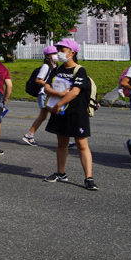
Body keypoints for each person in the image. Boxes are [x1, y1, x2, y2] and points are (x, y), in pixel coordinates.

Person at [42, 39, 97, 191]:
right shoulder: (57, 70)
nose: (59, 52)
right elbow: (46, 87)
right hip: (60, 112)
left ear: (72, 53)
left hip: (76, 112)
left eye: (63, 49)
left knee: (81, 144)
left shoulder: (80, 70)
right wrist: (58, 94)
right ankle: (60, 173)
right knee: (62, 143)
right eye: (58, 49)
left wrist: (59, 103)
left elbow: (76, 91)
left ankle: (89, 178)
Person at [22, 46, 59, 146]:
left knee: (43, 117)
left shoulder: (55, 66)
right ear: (47, 56)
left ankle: (29, 135)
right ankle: (64, 140)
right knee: (57, 116)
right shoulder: (46, 66)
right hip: (45, 94)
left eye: (56, 52)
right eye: (53, 53)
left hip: (49, 94)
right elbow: (38, 80)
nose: (56, 55)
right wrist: (49, 86)